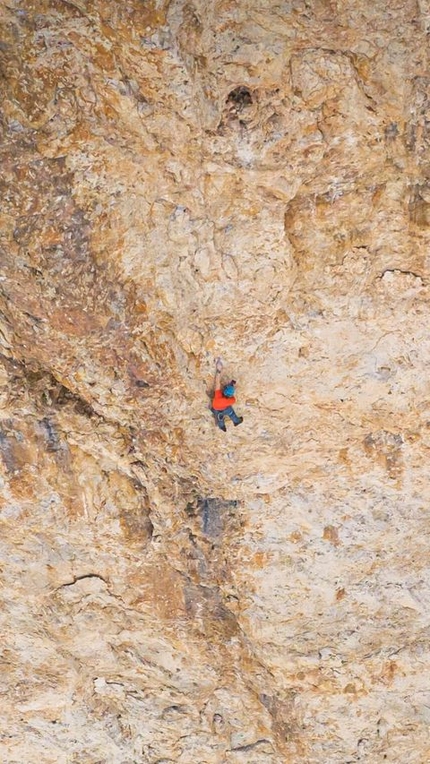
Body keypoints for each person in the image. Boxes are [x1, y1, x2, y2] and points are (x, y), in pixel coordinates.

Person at [211, 358, 243, 432]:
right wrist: (231, 387)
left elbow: (217, 383)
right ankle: (236, 421)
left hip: (216, 409)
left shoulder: (218, 396)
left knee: (220, 418)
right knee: (231, 412)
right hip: (225, 408)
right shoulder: (231, 400)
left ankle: (222, 426)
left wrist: (218, 370)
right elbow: (232, 398)